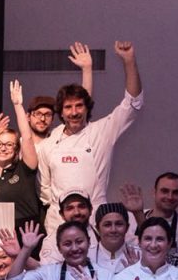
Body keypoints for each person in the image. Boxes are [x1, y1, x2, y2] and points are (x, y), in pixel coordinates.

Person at [36, 41, 143, 248]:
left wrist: (129, 61)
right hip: (58, 224)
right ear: (60, 112)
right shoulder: (49, 144)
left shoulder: (102, 132)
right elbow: (45, 188)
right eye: (68, 107)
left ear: (87, 108)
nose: (74, 112)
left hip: (96, 221)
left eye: (79, 106)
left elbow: (133, 103)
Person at [0, 81, 41, 233]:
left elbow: (27, 137)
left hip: (26, 235)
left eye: (9, 145)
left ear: (16, 149)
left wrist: (18, 105)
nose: (3, 148)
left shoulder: (24, 169)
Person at [89, 202, 140, 278]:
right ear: (98, 229)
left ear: (127, 227)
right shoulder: (87, 256)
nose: (113, 230)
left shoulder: (140, 256)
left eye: (119, 224)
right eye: (107, 225)